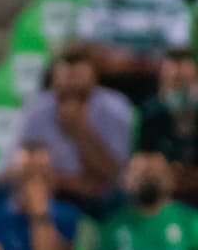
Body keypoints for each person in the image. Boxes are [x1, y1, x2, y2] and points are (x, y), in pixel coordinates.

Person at [8, 47, 133, 216]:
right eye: (65, 83)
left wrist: (79, 132)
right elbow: (23, 163)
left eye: (78, 82)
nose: (71, 89)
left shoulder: (116, 109)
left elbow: (115, 174)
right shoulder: (36, 110)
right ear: (54, 81)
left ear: (94, 79)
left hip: (100, 197)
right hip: (51, 190)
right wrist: (68, 183)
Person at [74, 0, 192, 106]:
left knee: (178, 72)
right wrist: (117, 63)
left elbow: (178, 50)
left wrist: (131, 63)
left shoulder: (172, 3)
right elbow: (84, 45)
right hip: (106, 75)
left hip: (154, 77)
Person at [137, 50, 198, 207]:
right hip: (163, 194)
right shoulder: (150, 114)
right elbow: (144, 164)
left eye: (185, 82)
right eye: (173, 82)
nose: (179, 91)